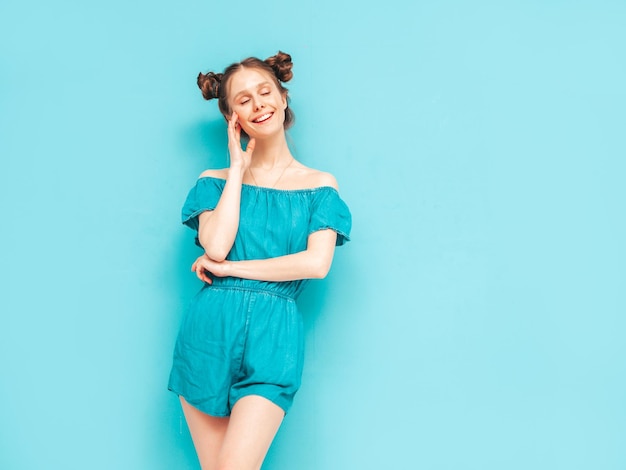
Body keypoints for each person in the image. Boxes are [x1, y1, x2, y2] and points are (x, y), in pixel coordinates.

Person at [168, 51, 352, 470]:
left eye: (265, 92)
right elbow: (215, 246)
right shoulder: (213, 182)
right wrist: (237, 168)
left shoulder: (319, 185)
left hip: (275, 336)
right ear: (232, 117)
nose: (258, 104)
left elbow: (315, 263)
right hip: (209, 332)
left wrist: (232, 269)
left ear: (283, 98)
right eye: (244, 100)